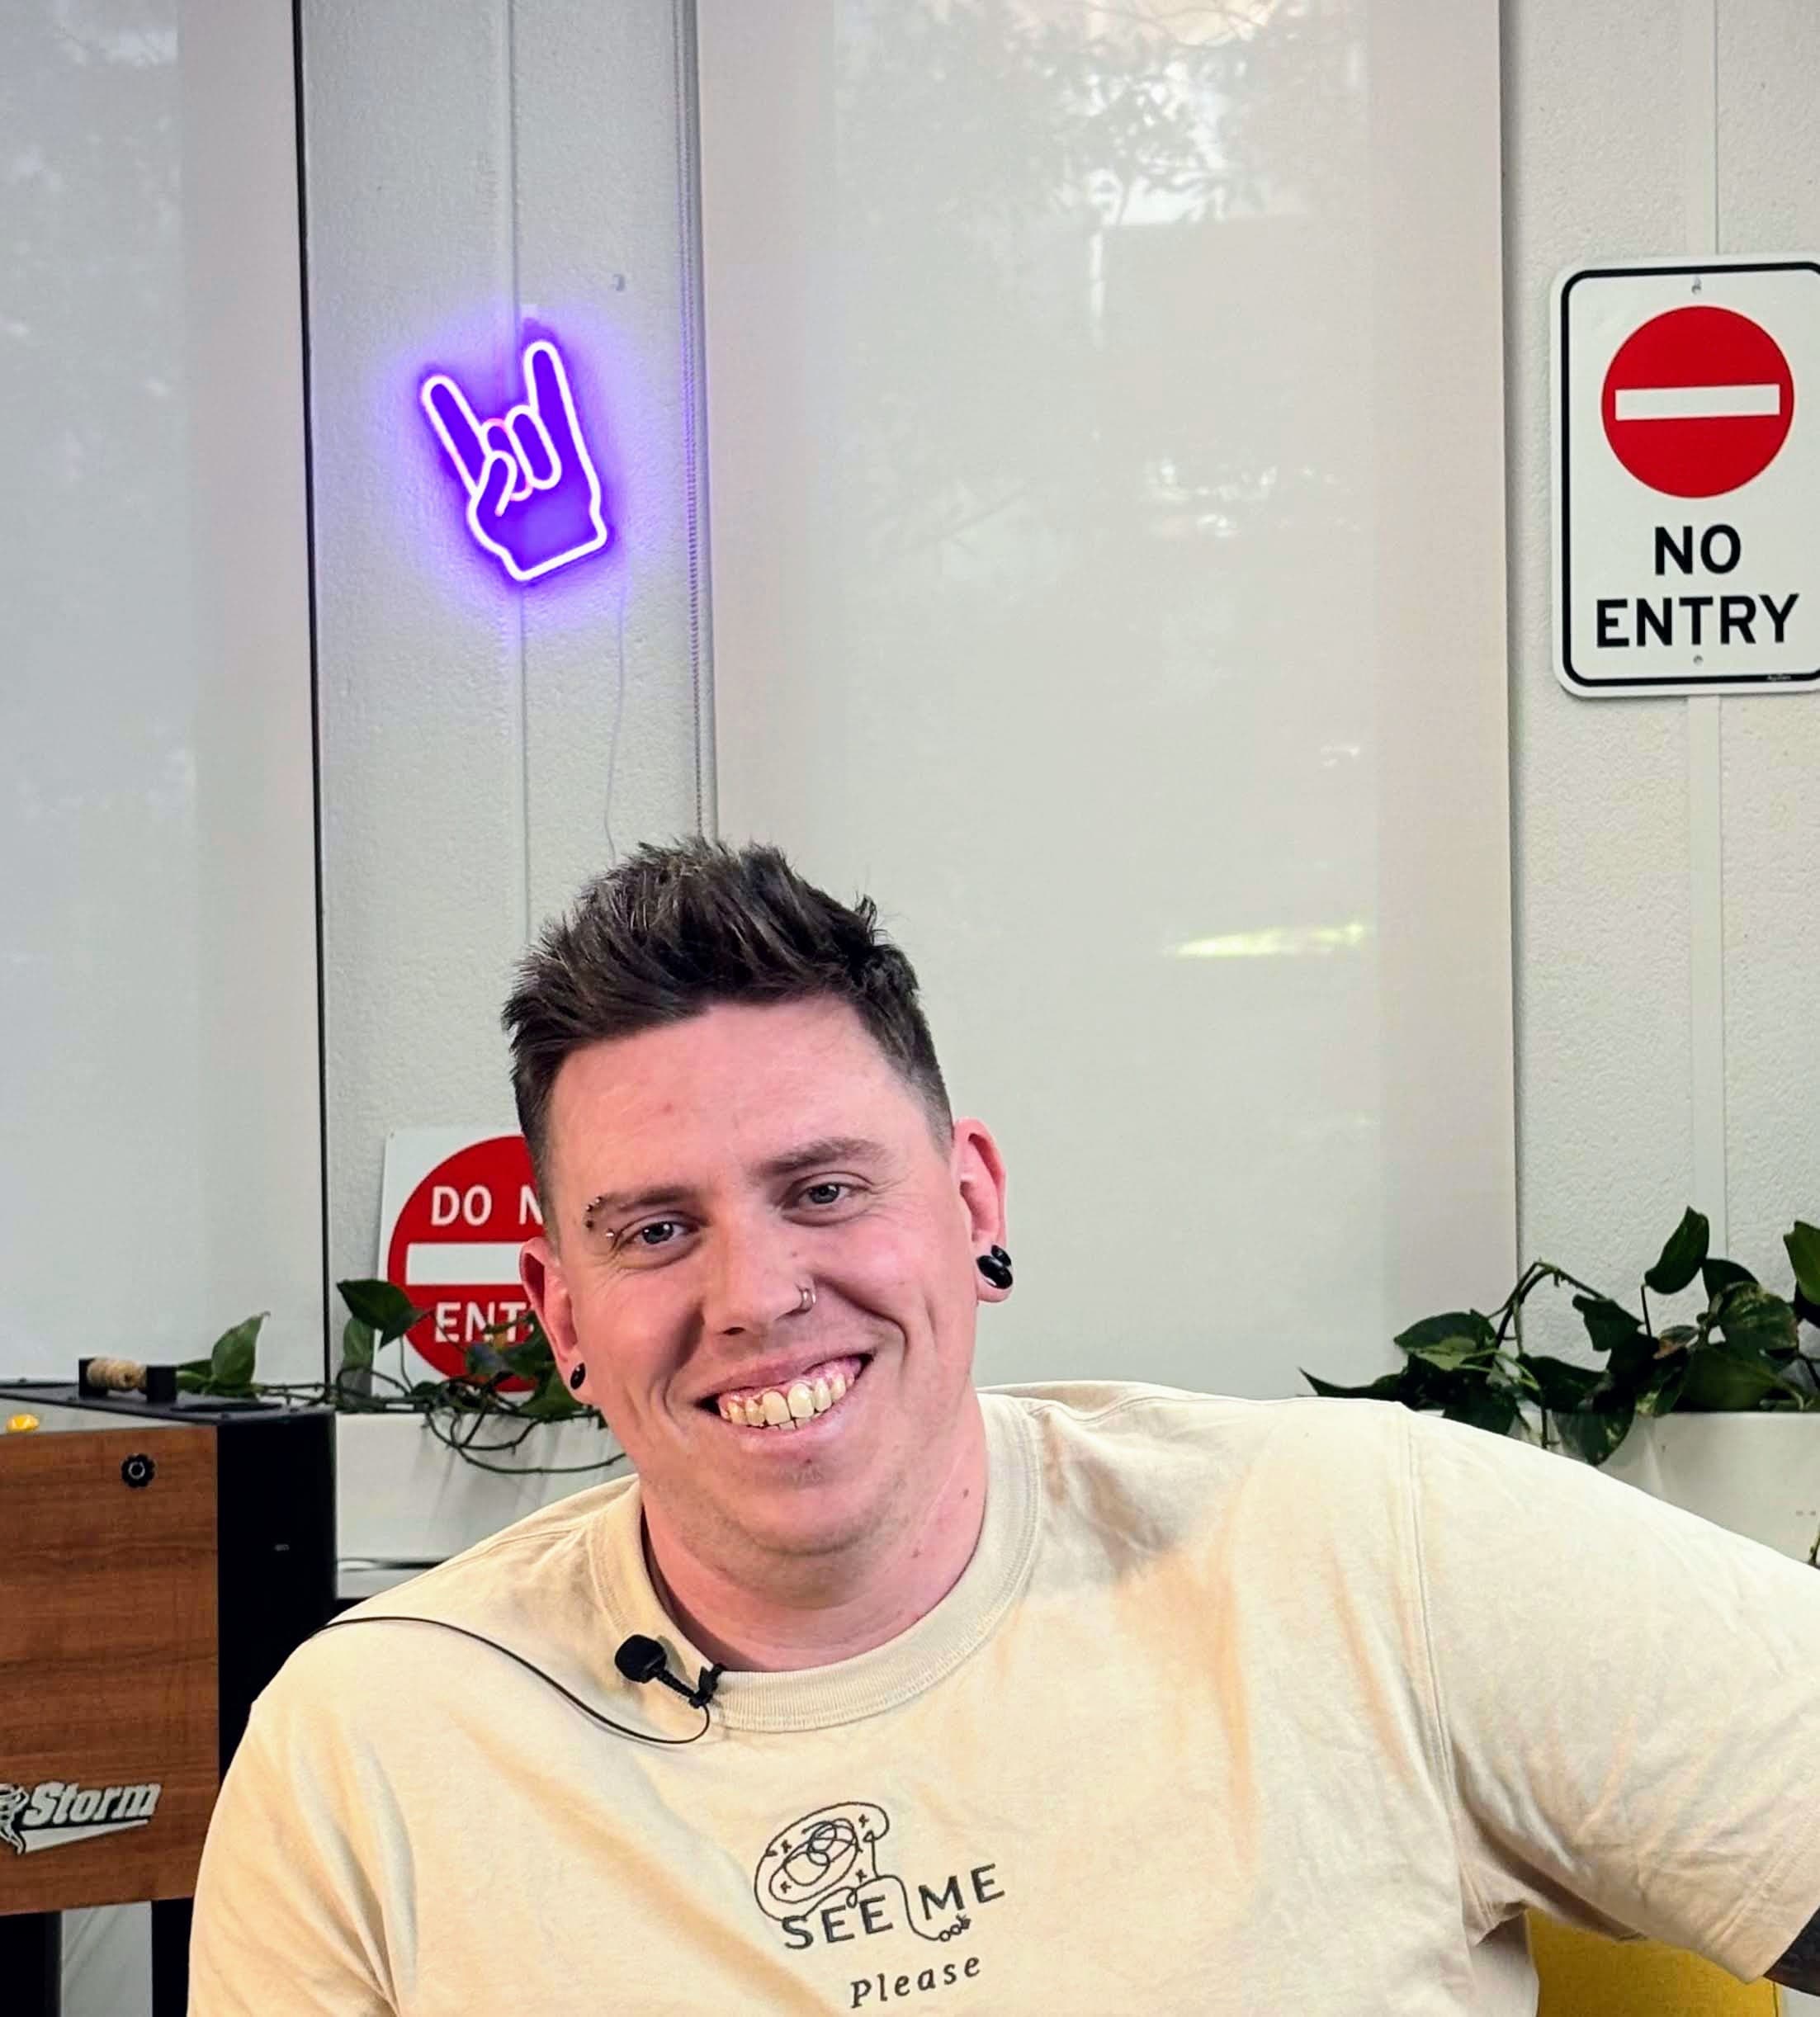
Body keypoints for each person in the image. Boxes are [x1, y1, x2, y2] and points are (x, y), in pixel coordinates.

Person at [189, 837, 1820, 2015]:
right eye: (657, 1230)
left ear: (970, 1204)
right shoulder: (370, 1745)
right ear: (560, 1317)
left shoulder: (1365, 1545)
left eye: (824, 1190)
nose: (756, 1295)